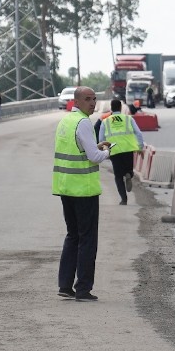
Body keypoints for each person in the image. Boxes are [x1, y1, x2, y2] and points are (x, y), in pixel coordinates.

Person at [52, 86, 112, 302]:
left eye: (94, 99)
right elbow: (94, 157)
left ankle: (65, 285)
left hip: (66, 187)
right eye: (88, 99)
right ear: (76, 102)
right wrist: (106, 151)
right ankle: (83, 289)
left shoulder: (66, 121)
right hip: (84, 190)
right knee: (87, 239)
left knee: (72, 236)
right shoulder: (84, 122)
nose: (92, 103)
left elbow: (78, 149)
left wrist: (95, 147)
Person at [98, 98, 145, 205]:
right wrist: (140, 147)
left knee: (118, 176)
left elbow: (101, 139)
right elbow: (138, 133)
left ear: (111, 108)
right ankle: (128, 174)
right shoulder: (128, 119)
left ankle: (124, 199)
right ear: (120, 108)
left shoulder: (106, 121)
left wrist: (104, 150)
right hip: (128, 149)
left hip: (114, 151)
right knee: (129, 169)